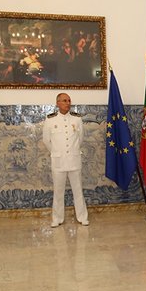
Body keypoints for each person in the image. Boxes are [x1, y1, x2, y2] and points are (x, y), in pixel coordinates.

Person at [42, 93, 89, 227]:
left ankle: (82, 217)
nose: (67, 103)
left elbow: (80, 139)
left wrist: (71, 152)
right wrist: (57, 152)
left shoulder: (76, 119)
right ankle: (57, 218)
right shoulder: (50, 120)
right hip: (58, 161)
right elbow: (46, 141)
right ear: (57, 103)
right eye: (64, 101)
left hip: (74, 159)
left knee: (78, 190)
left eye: (69, 101)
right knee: (58, 191)